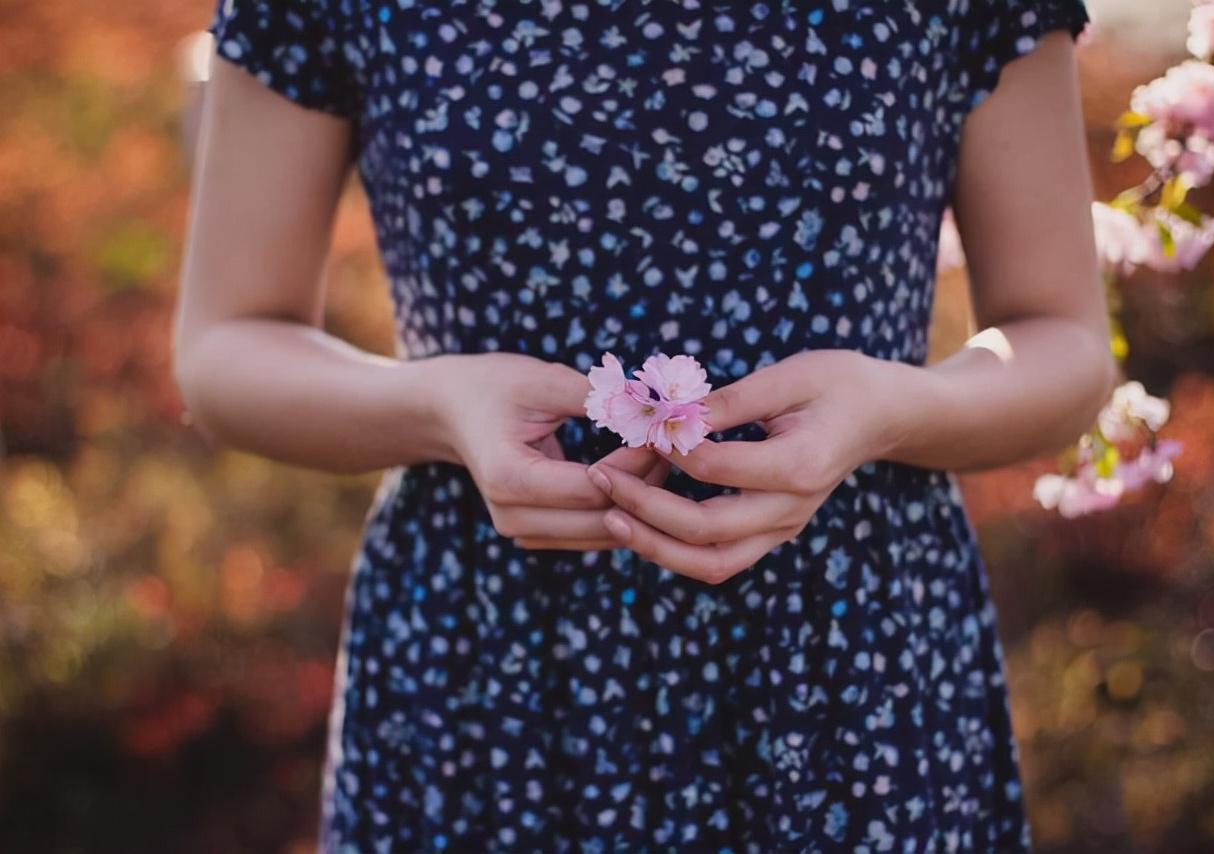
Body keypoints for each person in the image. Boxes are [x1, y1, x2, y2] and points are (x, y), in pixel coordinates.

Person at [173, 1, 1113, 850]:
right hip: (486, 666)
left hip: (847, 666)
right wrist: (438, 406)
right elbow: (228, 344)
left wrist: (894, 409)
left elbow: (1064, 342)